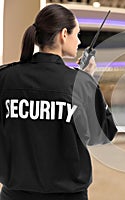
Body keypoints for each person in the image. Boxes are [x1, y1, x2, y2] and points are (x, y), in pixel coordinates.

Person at [0, 4, 117, 200]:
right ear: (64, 34)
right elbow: (103, 133)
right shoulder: (79, 84)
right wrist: (88, 81)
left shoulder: (5, 78)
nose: (79, 41)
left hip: (14, 195)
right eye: (77, 34)